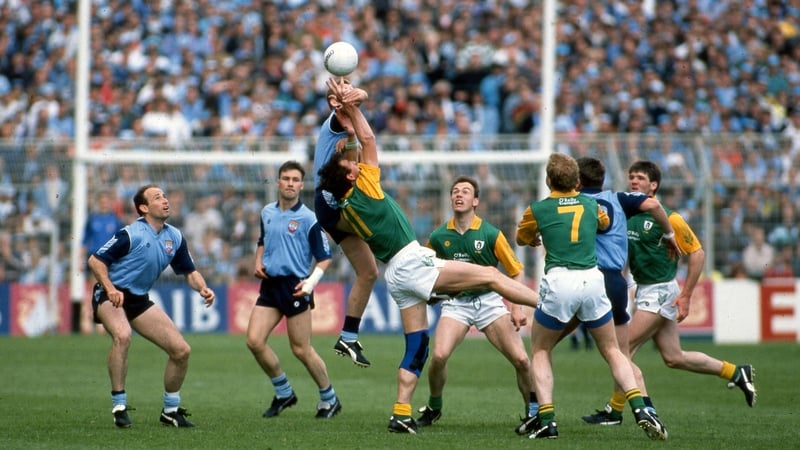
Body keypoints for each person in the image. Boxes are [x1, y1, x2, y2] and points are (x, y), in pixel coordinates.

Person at [318, 78, 538, 434]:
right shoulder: (366, 188)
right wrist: (353, 108)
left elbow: (352, 156)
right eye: (350, 166)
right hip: (410, 263)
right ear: (349, 178)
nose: (355, 162)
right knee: (491, 276)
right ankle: (548, 303)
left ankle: (400, 412)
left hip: (396, 276)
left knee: (418, 345)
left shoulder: (344, 208)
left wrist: (343, 119)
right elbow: (370, 141)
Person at [581, 160, 756, 426]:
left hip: (661, 291)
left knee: (619, 350)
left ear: (654, 185)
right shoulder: (628, 211)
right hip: (645, 290)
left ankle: (617, 410)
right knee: (674, 357)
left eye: (640, 178)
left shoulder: (669, 217)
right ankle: (736, 372)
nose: (634, 181)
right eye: (631, 177)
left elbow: (697, 254)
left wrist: (686, 295)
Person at [516, 152, 667, 440]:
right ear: (575, 181)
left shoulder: (537, 208)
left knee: (540, 349)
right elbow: (602, 222)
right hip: (594, 281)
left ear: (548, 180)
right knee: (613, 350)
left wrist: (538, 235)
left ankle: (546, 418)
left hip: (560, 280)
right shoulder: (591, 204)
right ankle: (640, 407)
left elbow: (522, 238)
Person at [88, 184, 216, 428]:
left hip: (137, 299)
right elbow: (95, 260)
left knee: (181, 351)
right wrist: (110, 288)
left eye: (165, 196)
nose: (165, 200)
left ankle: (170, 410)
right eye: (158, 197)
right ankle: (119, 405)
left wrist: (202, 288)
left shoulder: (174, 237)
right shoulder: (130, 234)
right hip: (110, 294)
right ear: (144, 208)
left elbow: (189, 272)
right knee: (123, 336)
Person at [415, 175, 534, 432]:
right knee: (438, 356)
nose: (459, 195)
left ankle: (532, 412)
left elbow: (515, 271)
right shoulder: (438, 236)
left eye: (466, 191)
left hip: (489, 302)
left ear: (475, 200)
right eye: (455, 191)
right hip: (456, 304)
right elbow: (426, 270)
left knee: (522, 361)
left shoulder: (490, 233)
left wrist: (516, 306)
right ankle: (435, 406)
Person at [571, 156, 679, 427]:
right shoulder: (618, 198)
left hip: (582, 280)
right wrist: (669, 235)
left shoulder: (572, 202)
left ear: (578, 181)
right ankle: (645, 412)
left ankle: (541, 412)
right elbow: (653, 204)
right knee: (619, 353)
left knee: (541, 348)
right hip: (615, 282)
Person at [246, 160, 341, 419]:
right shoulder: (267, 212)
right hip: (270, 285)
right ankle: (284, 392)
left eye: (294, 179)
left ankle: (329, 398)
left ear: (301, 185)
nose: (289, 183)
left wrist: (310, 283)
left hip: (295, 286)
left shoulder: (309, 219)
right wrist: (258, 261)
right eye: (285, 178)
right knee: (254, 341)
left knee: (301, 349)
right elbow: (262, 241)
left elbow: (325, 257)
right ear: (278, 182)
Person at [312, 78, 378, 368]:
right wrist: (356, 95)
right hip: (330, 200)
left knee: (369, 272)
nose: (350, 89)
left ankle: (348, 336)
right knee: (385, 227)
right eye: (344, 87)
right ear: (333, 102)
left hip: (336, 202)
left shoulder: (349, 120)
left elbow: (361, 96)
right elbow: (358, 98)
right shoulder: (337, 120)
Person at [81, 190, 125, 334]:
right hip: (94, 258)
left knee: (107, 290)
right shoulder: (92, 218)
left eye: (107, 200)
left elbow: (121, 242)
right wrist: (80, 260)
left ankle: (102, 323)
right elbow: (83, 241)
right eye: (102, 200)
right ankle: (86, 321)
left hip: (110, 260)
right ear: (99, 202)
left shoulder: (116, 220)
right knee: (92, 289)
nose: (104, 203)